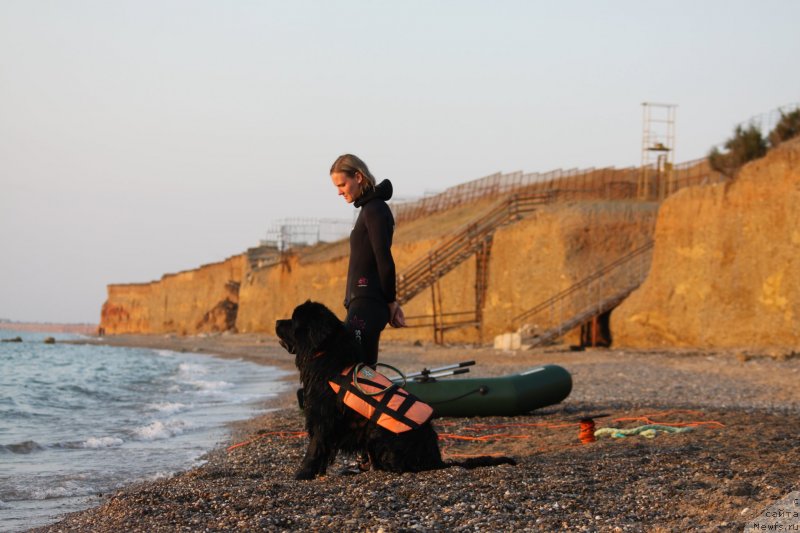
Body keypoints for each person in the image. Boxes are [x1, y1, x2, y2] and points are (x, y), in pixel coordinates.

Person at [330, 154, 406, 366]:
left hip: (368, 304)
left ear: (359, 177)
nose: (339, 191)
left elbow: (384, 260)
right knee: (359, 369)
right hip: (363, 304)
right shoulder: (369, 209)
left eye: (342, 184)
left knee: (357, 370)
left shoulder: (375, 209)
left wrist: (391, 301)